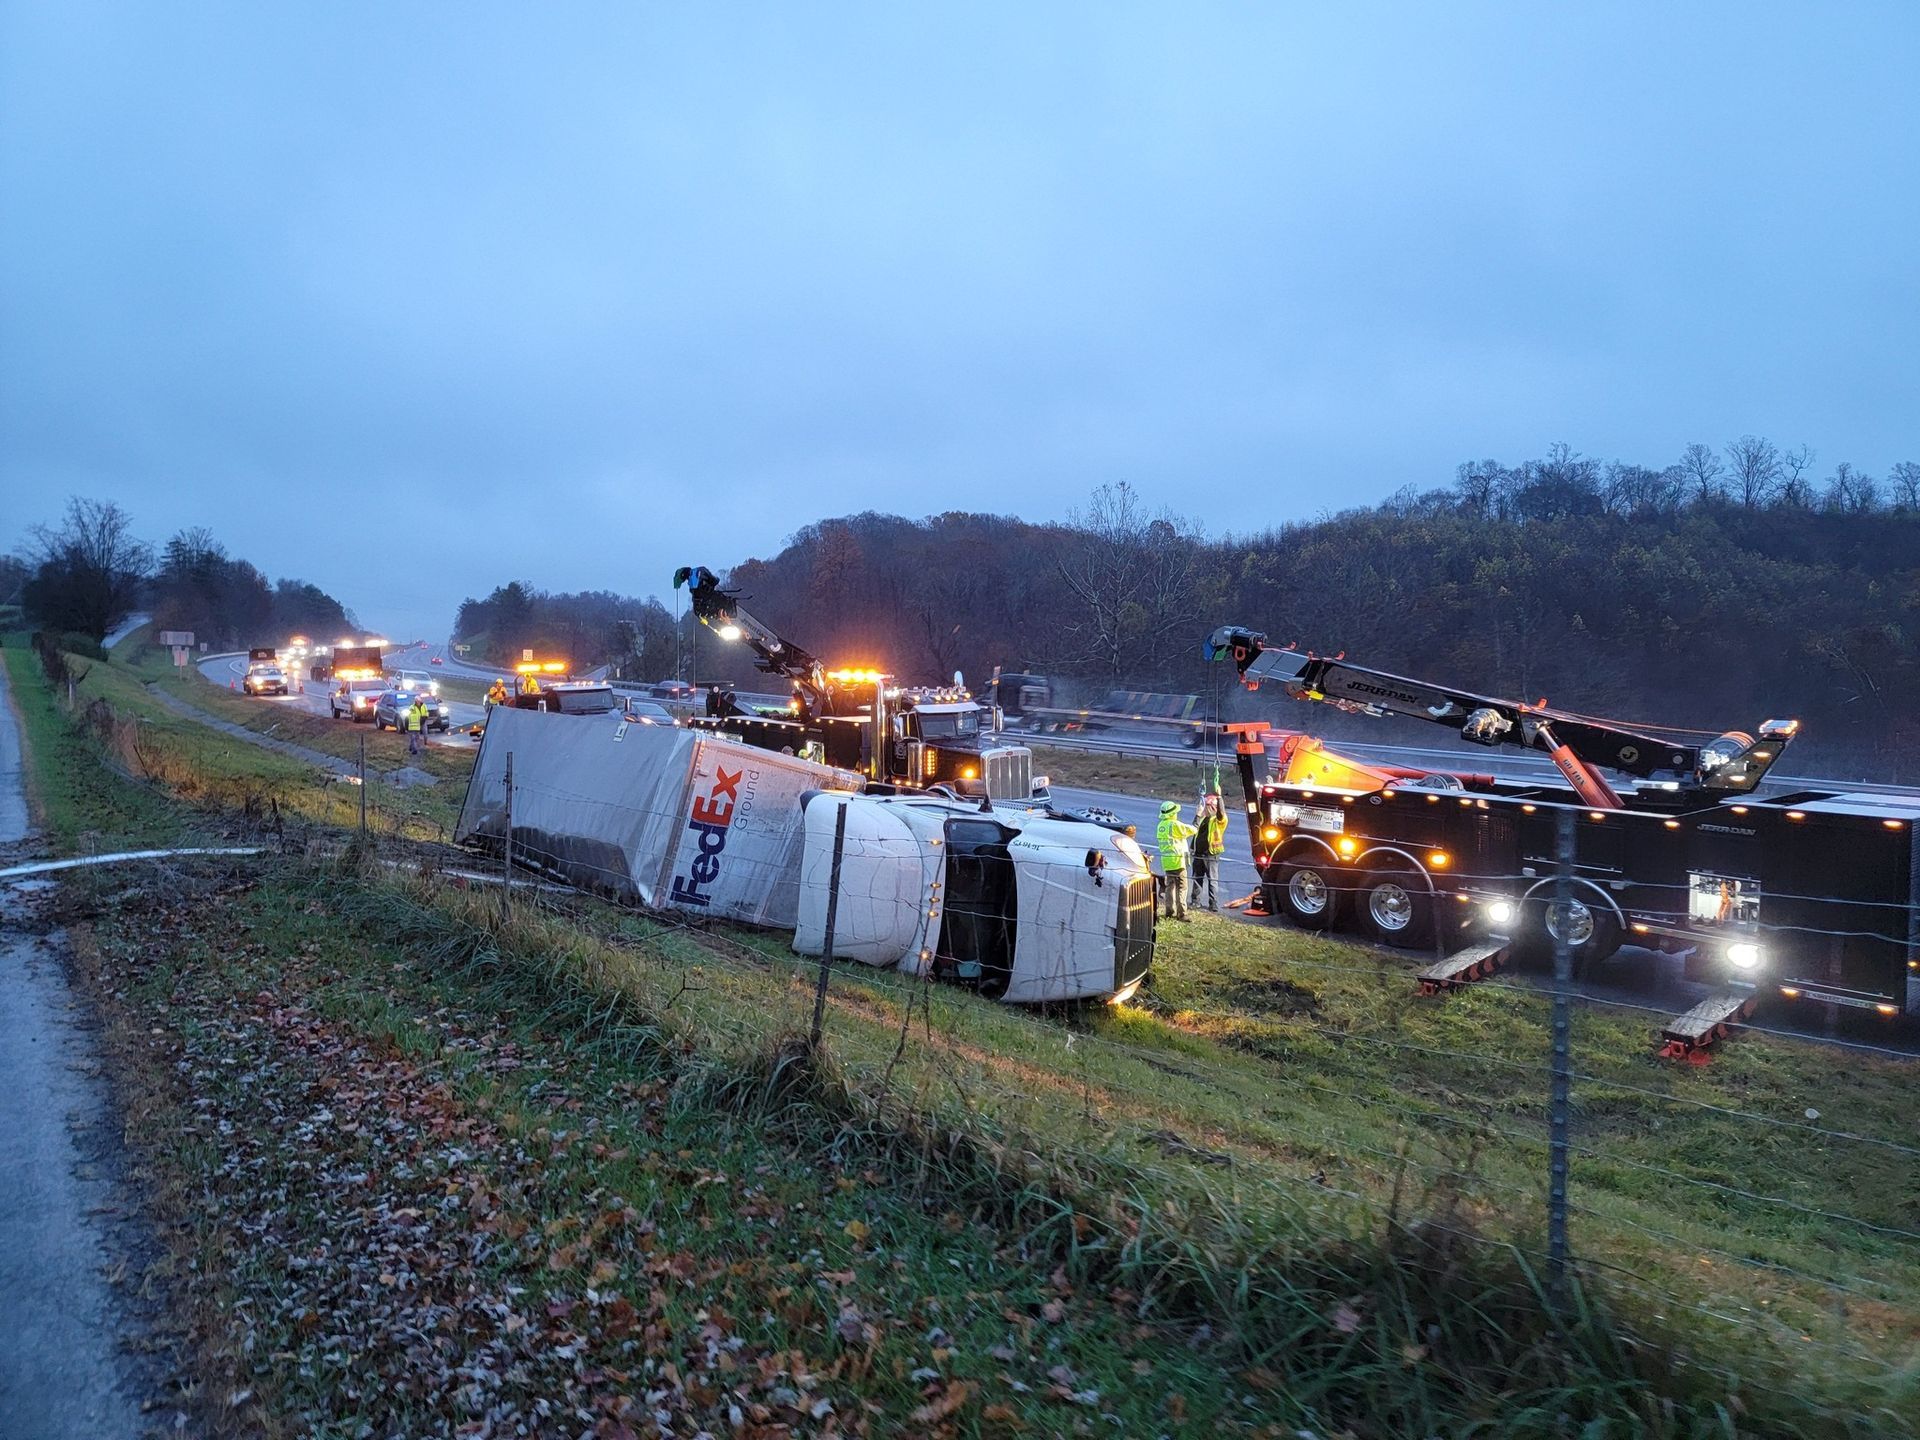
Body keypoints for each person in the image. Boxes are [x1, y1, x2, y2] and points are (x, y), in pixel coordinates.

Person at [1156, 800, 1197, 922]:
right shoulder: (1174, 825)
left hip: (1167, 862)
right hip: (1178, 861)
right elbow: (1193, 830)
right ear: (1173, 813)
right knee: (1182, 888)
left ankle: (1169, 911)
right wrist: (1199, 815)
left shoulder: (1161, 826)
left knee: (1170, 887)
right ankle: (1182, 914)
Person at [1192, 793, 1229, 912]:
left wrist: (1219, 798)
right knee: (1197, 878)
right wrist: (1198, 815)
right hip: (1198, 853)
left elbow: (1221, 813)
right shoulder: (1202, 817)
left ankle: (1213, 903)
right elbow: (1193, 829)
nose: (1205, 808)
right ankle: (1195, 901)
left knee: (1212, 880)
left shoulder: (1218, 820)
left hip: (1211, 854)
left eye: (1207, 806)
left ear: (1213, 807)